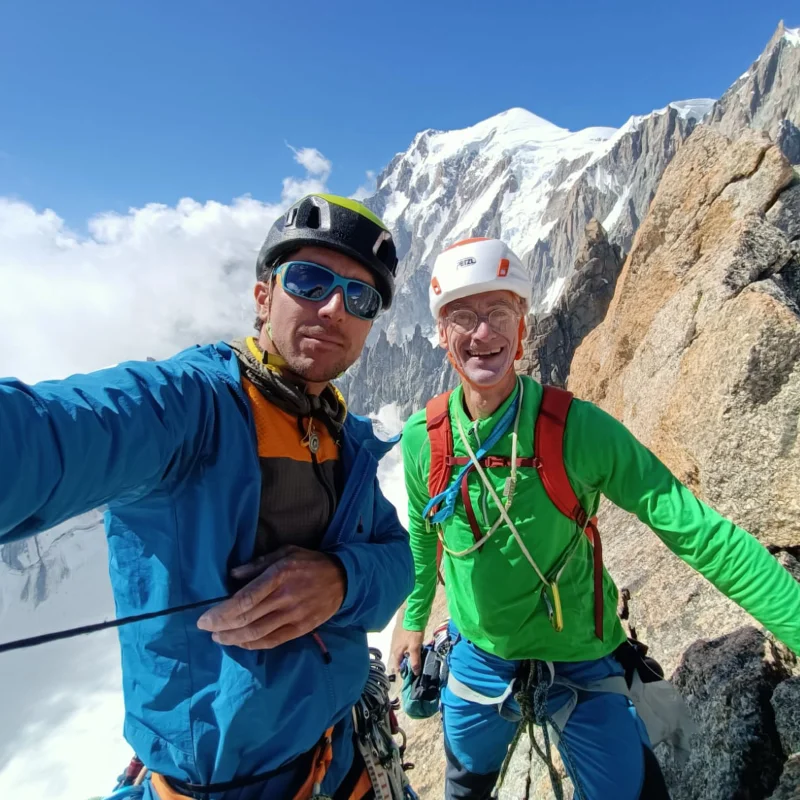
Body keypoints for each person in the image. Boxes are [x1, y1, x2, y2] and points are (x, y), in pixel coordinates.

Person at [0, 193, 415, 800]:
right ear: (263, 296)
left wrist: (341, 580)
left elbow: (398, 559)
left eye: (361, 298)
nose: (334, 308)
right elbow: (49, 437)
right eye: (309, 280)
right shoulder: (191, 406)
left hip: (342, 754)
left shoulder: (341, 436)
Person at [390, 237, 800, 800]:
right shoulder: (426, 440)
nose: (481, 333)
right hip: (479, 653)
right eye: (462, 316)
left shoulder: (577, 431)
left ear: (522, 326)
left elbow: (698, 531)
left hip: (581, 654)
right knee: (465, 785)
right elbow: (424, 529)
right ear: (441, 334)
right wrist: (414, 616)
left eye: (498, 312)